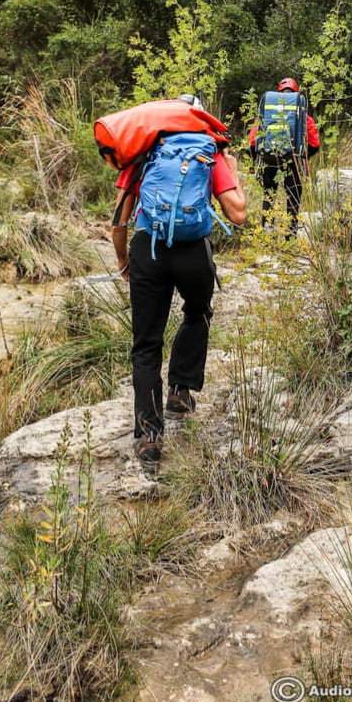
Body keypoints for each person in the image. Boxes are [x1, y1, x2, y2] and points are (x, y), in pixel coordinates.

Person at [111, 98, 246, 466]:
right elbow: (238, 214)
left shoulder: (145, 152)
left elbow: (120, 220)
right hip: (192, 252)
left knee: (146, 343)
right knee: (198, 310)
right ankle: (180, 391)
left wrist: (124, 259)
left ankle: (149, 438)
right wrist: (232, 171)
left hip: (147, 250)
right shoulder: (210, 151)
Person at [248, 77, 322, 232]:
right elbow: (315, 144)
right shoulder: (304, 118)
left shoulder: (265, 116)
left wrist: (254, 161)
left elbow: (253, 142)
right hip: (293, 163)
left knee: (269, 196)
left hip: (268, 161)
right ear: (296, 96)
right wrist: (302, 157)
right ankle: (290, 234)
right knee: (293, 199)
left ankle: (267, 231)